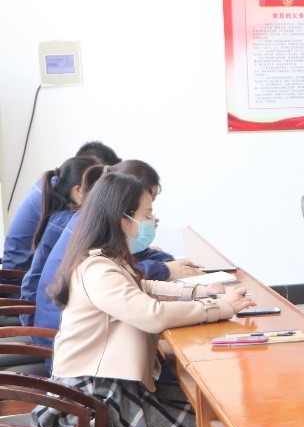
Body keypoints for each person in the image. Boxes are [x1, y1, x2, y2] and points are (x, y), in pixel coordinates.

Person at [34, 172, 255, 427]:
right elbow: (150, 313)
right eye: (147, 214)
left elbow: (147, 288)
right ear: (121, 218)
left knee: (211, 415)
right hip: (93, 401)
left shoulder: (106, 260)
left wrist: (203, 291)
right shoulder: (99, 270)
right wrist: (218, 308)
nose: (152, 221)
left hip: (108, 387)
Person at [32, 160, 201, 345]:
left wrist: (171, 267)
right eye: (147, 213)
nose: (152, 220)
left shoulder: (100, 225)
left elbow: (138, 261)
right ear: (122, 208)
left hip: (79, 335)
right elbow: (149, 309)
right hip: (58, 336)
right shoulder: (93, 247)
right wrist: (211, 307)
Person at [3, 140, 120, 271]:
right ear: (78, 190)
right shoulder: (61, 214)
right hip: (18, 274)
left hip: (20, 270)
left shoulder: (55, 184)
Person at [19, 156, 105, 307]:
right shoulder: (71, 221)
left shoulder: (63, 215)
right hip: (39, 307)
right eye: (100, 190)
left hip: (37, 300)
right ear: (78, 191)